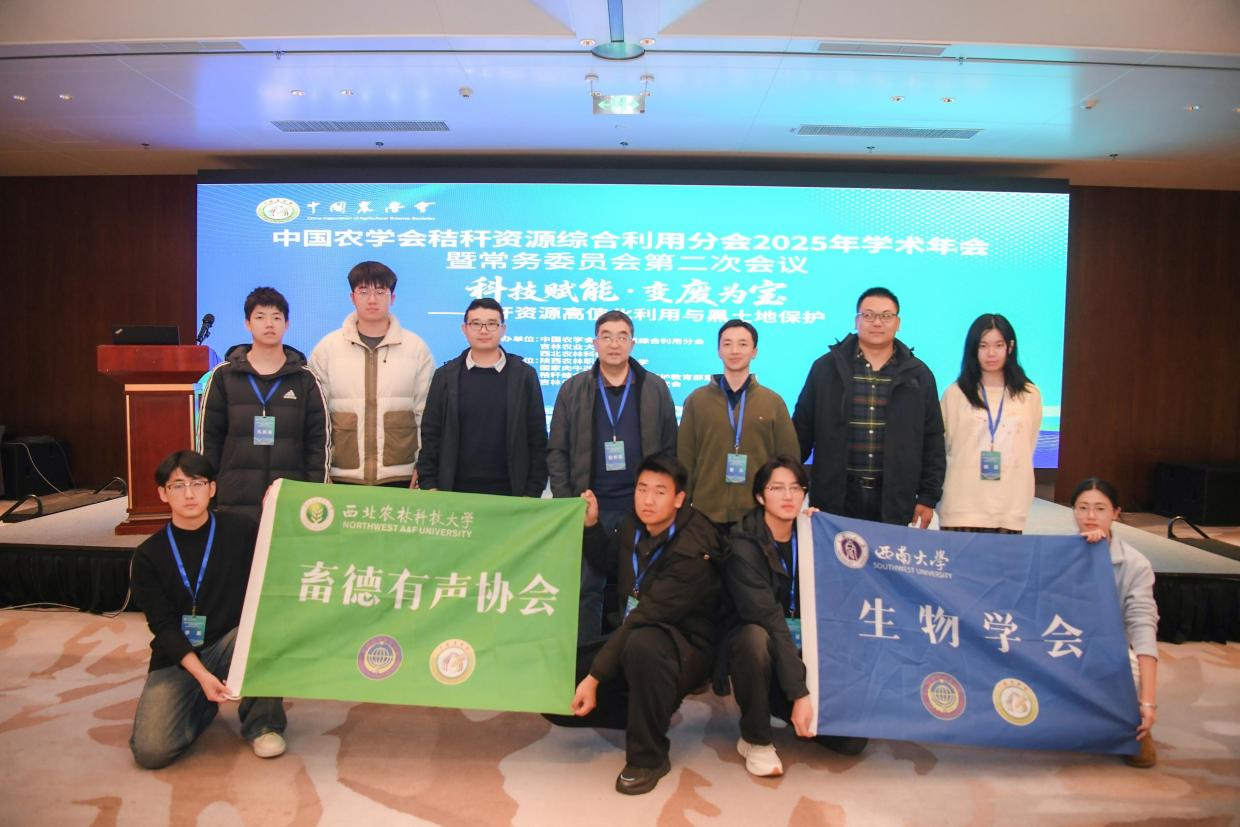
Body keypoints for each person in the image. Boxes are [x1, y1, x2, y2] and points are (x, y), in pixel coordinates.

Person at [546, 454, 723, 795]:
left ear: (679, 498)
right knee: (557, 688)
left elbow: (645, 616)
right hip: (634, 635)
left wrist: (595, 678)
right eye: (642, 489)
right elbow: (610, 563)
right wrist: (592, 526)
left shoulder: (694, 547)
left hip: (685, 649)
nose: (648, 500)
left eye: (659, 492)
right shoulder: (634, 525)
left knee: (643, 645)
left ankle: (648, 757)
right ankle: (648, 709)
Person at [129, 450, 286, 769]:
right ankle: (202, 702)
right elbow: (163, 627)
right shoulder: (148, 556)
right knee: (151, 752)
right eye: (178, 485)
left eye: (198, 483)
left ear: (212, 488)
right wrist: (200, 675)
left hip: (231, 642)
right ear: (162, 494)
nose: (189, 494)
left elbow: (279, 561)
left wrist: (279, 505)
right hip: (179, 657)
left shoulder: (241, 530)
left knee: (265, 633)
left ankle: (263, 725)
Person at [722, 455, 867, 777]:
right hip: (759, 651)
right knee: (754, 638)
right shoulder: (743, 545)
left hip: (802, 656)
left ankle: (780, 705)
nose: (788, 496)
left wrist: (826, 534)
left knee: (853, 742)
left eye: (796, 488)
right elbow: (772, 622)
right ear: (760, 496)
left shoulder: (812, 536)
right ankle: (755, 739)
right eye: (777, 488)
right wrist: (800, 694)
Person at [547, 310, 677, 641]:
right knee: (585, 590)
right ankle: (586, 659)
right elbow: (558, 450)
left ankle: (633, 658)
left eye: (622, 337)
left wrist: (662, 501)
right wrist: (568, 503)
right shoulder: (574, 389)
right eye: (606, 336)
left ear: (632, 343)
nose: (614, 344)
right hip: (590, 507)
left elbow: (669, 449)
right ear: (595, 343)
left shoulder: (654, 388)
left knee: (640, 589)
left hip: (641, 508)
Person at [792, 287, 945, 527]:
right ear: (857, 321)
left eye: (886, 316)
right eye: (869, 315)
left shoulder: (919, 375)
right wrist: (789, 485)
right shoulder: (826, 368)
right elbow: (801, 430)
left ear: (898, 323)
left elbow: (932, 439)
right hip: (835, 498)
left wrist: (928, 496)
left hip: (894, 500)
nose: (877, 322)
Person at [198, 286, 329, 522]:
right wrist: (209, 495)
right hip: (234, 500)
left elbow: (318, 445)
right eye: (260, 317)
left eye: (276, 317)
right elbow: (209, 442)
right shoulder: (223, 377)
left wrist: (314, 496)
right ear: (247, 323)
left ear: (287, 324)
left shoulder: (305, 379)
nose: (269, 324)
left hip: (291, 501)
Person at [309, 260, 434, 488]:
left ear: (392, 298)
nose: (372, 299)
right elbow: (317, 418)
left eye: (380, 291)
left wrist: (424, 466)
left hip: (401, 476)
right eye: (364, 291)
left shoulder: (416, 348)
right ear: (352, 297)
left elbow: (425, 414)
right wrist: (321, 469)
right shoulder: (327, 349)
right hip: (341, 475)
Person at [416, 298, 547, 496]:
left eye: (491, 324)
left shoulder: (524, 376)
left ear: (503, 329)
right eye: (476, 324)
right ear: (464, 329)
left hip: (511, 492)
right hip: (454, 491)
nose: (484, 330)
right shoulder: (445, 376)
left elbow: (537, 437)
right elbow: (431, 433)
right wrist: (429, 483)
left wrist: (533, 490)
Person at [1071, 477, 1160, 768]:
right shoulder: (1059, 553)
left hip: (1108, 649)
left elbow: (1143, 627)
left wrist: (1147, 701)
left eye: (1100, 509)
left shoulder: (1135, 564)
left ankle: (1134, 727)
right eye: (1082, 508)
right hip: (1060, 644)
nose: (1090, 516)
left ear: (1115, 513)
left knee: (1130, 669)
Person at [679, 319, 799, 531]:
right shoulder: (697, 401)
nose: (734, 350)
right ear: (718, 351)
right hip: (704, 513)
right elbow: (684, 459)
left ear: (754, 352)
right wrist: (683, 510)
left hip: (757, 513)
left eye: (742, 344)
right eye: (727, 344)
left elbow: (788, 459)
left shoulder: (773, 402)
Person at [938, 313, 1042, 533]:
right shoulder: (955, 393)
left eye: (998, 345)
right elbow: (944, 447)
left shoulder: (1029, 395)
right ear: (972, 349)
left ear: (1010, 347)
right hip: (961, 506)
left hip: (1010, 507)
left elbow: (1029, 445)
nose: (991, 353)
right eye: (983, 346)